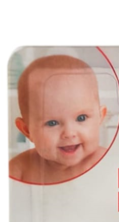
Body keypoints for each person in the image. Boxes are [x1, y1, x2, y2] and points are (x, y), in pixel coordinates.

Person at [10, 55, 108, 183]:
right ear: (27, 130)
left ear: (100, 116)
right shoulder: (20, 169)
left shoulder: (108, 163)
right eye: (52, 123)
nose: (69, 133)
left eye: (81, 118)